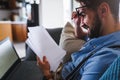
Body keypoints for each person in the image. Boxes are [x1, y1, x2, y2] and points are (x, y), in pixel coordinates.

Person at [37, 0, 120, 80]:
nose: (82, 23)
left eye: (84, 14)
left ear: (103, 10)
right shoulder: (106, 33)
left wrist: (46, 73)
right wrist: (77, 23)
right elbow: (81, 35)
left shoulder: (102, 60)